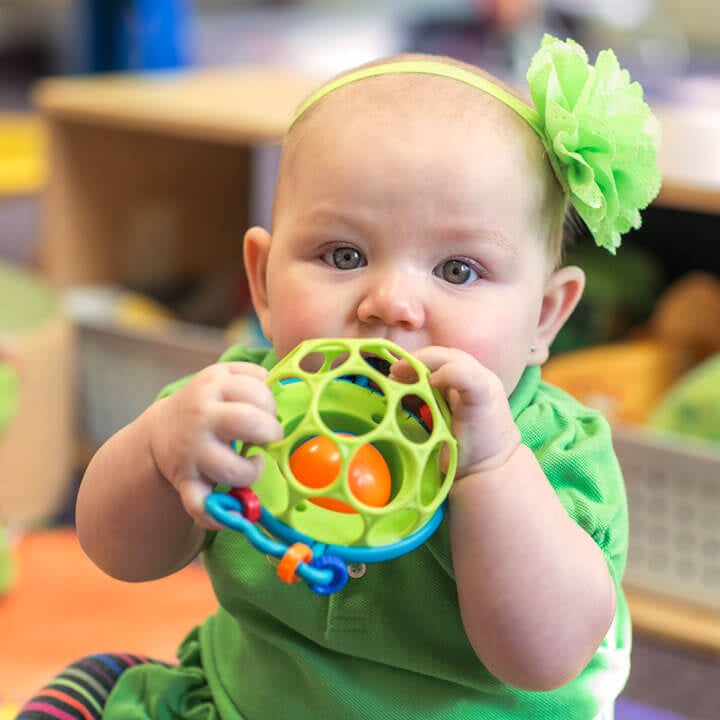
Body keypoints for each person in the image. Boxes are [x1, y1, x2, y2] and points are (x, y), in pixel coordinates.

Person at [17, 34, 661, 720]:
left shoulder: (554, 450)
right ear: (262, 282)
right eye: (344, 253)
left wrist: (491, 467)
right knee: (91, 687)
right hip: (248, 705)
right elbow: (118, 554)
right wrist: (158, 451)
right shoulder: (246, 403)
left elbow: (546, 658)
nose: (389, 302)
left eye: (457, 270)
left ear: (543, 317)